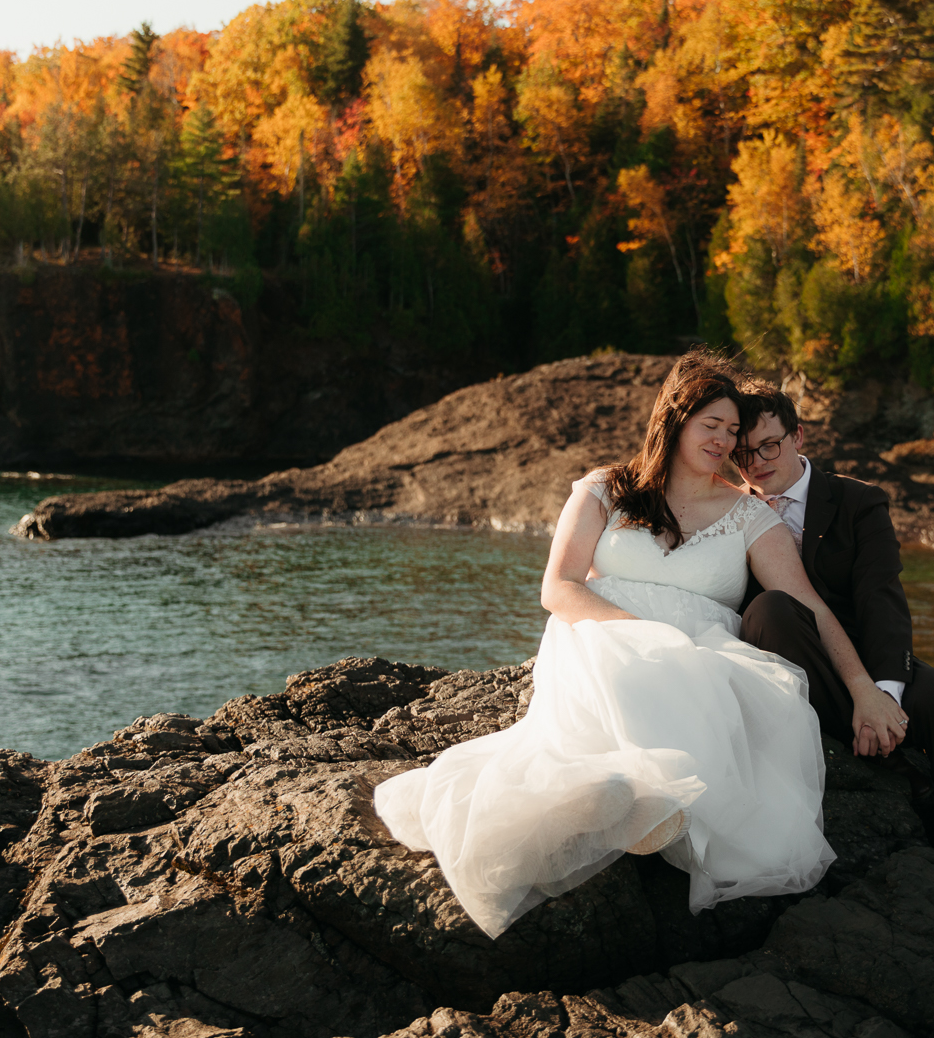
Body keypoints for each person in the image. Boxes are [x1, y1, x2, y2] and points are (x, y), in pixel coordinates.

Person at [374, 351, 873, 939]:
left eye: (733, 431)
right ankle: (632, 795)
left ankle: (637, 802)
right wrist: (634, 631)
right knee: (625, 669)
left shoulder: (747, 516)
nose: (724, 440)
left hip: (701, 656)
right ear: (673, 419)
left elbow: (809, 604)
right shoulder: (604, 489)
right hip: (600, 635)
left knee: (702, 680)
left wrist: (865, 688)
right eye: (711, 425)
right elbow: (556, 588)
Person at [734, 384, 934, 843]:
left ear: (798, 436)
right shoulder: (729, 510)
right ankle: (897, 767)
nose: (756, 463)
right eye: (743, 455)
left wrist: (883, 695)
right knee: (772, 607)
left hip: (859, 652)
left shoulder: (859, 502)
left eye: (769, 445)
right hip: (781, 657)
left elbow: (882, 598)